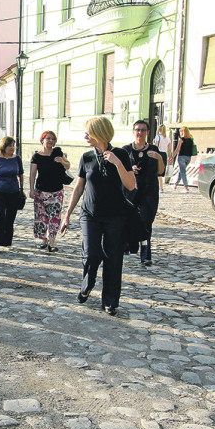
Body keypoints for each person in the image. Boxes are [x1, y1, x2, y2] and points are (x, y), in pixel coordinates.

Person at [59, 116, 137, 316]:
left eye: (89, 133)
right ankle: (87, 285)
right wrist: (67, 215)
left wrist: (117, 163)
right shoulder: (86, 157)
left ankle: (110, 300)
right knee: (92, 254)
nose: (85, 136)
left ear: (100, 133)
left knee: (113, 258)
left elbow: (131, 185)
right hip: (89, 214)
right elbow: (78, 188)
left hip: (115, 216)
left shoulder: (121, 154)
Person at [123, 120, 165, 266]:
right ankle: (126, 245)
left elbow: (161, 171)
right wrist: (130, 169)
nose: (140, 133)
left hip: (149, 192)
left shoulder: (153, 149)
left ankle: (145, 255)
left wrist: (159, 158)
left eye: (143, 130)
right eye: (137, 130)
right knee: (127, 219)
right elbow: (119, 170)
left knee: (146, 222)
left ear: (148, 132)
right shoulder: (126, 150)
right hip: (130, 191)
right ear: (133, 131)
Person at [29, 131, 71, 252]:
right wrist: (31, 189)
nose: (51, 141)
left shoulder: (58, 152)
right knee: (42, 217)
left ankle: (52, 242)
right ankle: (44, 240)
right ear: (42, 140)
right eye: (48, 138)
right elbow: (32, 174)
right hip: (41, 191)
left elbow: (68, 165)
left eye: (53, 139)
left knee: (55, 216)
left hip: (57, 191)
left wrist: (62, 161)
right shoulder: (36, 156)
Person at [0, 135, 24, 253]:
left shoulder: (17, 158)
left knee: (10, 217)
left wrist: (21, 188)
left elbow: (21, 174)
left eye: (13, 146)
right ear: (3, 146)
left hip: (13, 191)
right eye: (10, 146)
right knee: (0, 216)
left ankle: (7, 241)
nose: (12, 148)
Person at [170, 125, 195, 192]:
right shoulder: (191, 140)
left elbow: (177, 149)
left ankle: (186, 187)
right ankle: (175, 185)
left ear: (182, 132)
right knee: (181, 171)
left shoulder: (181, 139)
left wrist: (172, 156)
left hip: (182, 157)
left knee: (183, 172)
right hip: (188, 158)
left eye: (181, 132)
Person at [153, 125, 171, 192]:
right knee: (161, 170)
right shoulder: (168, 138)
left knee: (157, 171)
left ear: (159, 130)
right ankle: (161, 187)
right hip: (164, 154)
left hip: (158, 153)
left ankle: (159, 187)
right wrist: (170, 156)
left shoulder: (158, 137)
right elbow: (169, 148)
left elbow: (156, 146)